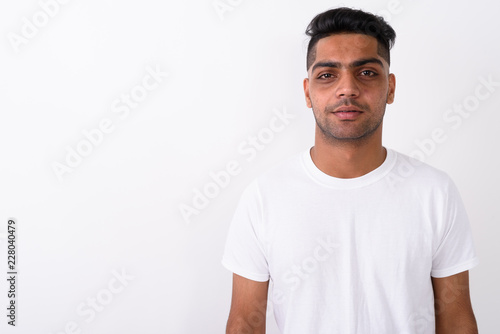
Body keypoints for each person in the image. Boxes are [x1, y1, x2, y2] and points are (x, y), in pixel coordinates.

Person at [222, 7, 479, 334]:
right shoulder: (264, 196)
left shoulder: (435, 192)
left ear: (391, 87)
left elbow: (457, 322)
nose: (347, 89)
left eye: (367, 72)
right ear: (307, 92)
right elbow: (244, 324)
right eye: (327, 75)